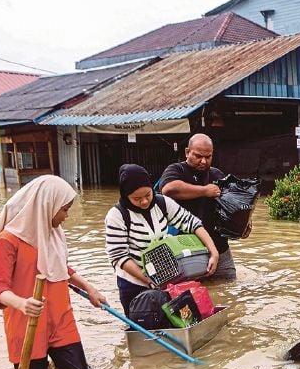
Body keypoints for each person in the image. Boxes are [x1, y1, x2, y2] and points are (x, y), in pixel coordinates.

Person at [0, 175, 107, 369]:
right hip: (26, 325)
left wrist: (89, 288)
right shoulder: (8, 241)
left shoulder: (53, 234)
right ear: (47, 206)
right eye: (65, 209)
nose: (66, 216)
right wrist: (22, 303)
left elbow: (60, 268)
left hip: (61, 320)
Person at [105, 164, 220, 314]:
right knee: (141, 327)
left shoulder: (162, 203)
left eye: (147, 195)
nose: (144, 202)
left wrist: (213, 252)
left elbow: (192, 223)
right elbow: (119, 256)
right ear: (126, 196)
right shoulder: (116, 216)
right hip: (133, 282)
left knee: (174, 321)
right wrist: (148, 280)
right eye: (137, 199)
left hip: (166, 277)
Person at [160, 133, 250, 280]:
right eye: (198, 156)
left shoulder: (217, 175)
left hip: (219, 248)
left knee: (229, 291)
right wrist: (204, 191)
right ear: (187, 152)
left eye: (208, 157)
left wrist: (244, 221)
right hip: (187, 250)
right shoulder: (175, 170)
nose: (203, 161)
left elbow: (233, 203)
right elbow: (169, 189)